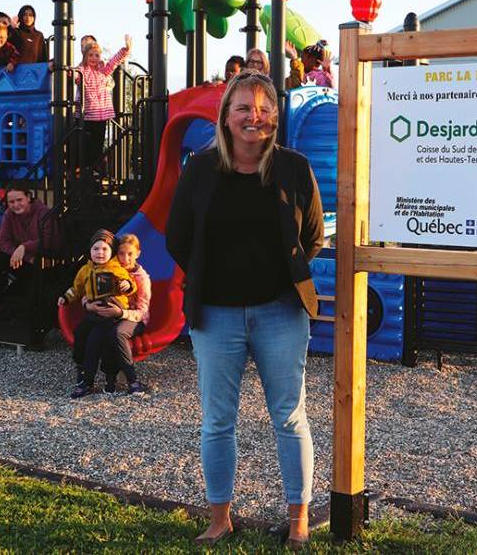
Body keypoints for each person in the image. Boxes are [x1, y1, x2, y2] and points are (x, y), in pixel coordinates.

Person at [166, 71, 323, 549]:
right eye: (243, 109)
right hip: (216, 315)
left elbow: (313, 236)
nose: (253, 117)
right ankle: (219, 518)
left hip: (280, 312)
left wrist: (278, 275)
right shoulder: (201, 168)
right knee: (217, 419)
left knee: (289, 416)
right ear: (226, 117)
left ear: (274, 117)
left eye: (262, 108)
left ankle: (298, 517)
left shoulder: (294, 168)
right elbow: (178, 236)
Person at [59, 229, 136, 399]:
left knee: (94, 342)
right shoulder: (85, 271)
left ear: (111, 252)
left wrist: (126, 285)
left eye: (104, 249)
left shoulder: (115, 268)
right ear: (90, 251)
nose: (100, 253)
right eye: (96, 249)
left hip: (110, 313)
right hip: (94, 313)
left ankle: (88, 382)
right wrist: (66, 297)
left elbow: (129, 283)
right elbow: (77, 289)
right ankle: (80, 367)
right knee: (80, 333)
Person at [0, 183, 60, 310]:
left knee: (30, 287)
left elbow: (49, 241)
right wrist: (20, 254)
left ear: (28, 197)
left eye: (19, 200)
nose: (16, 205)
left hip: (41, 261)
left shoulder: (43, 213)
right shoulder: (9, 214)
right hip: (23, 260)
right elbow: (2, 242)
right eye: (11, 201)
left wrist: (24, 247)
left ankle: (27, 311)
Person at [93, 233, 151, 396]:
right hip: (113, 314)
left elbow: (142, 310)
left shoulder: (142, 278)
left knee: (118, 333)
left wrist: (121, 313)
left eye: (130, 254)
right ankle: (110, 379)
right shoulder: (109, 271)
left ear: (138, 253)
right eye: (121, 253)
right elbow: (90, 289)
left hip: (134, 318)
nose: (125, 258)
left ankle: (133, 381)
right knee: (106, 329)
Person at [72, 35, 131, 175]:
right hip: (88, 115)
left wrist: (125, 50)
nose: (94, 58)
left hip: (102, 114)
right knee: (86, 143)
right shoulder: (82, 70)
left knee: (98, 144)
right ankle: (83, 167)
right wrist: (71, 74)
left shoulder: (103, 71)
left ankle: (92, 168)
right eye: (90, 55)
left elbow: (114, 62)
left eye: (97, 55)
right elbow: (74, 76)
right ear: (85, 56)